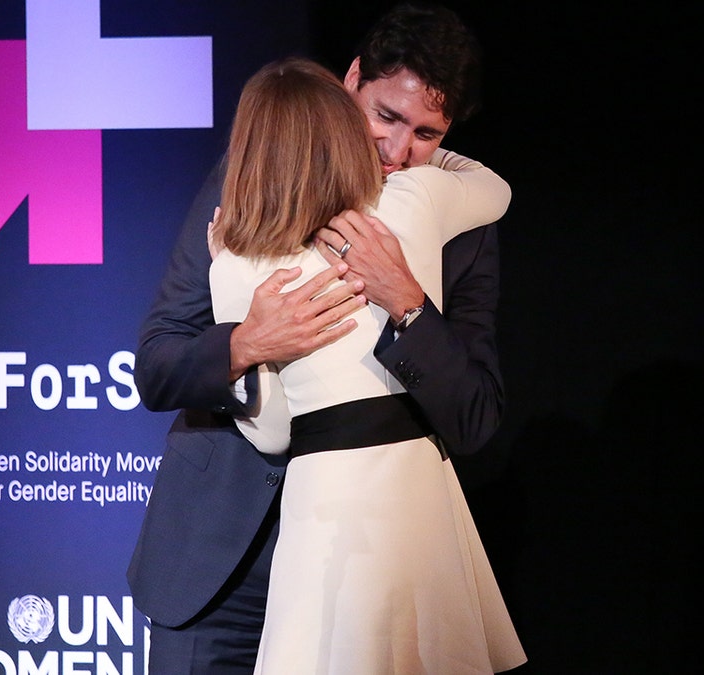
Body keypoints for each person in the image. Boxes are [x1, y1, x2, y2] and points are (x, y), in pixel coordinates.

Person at [128, 3, 515, 672]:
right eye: (386, 117)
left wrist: (409, 304)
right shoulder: (251, 176)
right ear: (351, 80)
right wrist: (246, 344)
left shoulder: (452, 223)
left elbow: (475, 415)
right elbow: (158, 363)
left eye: (427, 133)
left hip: (369, 565)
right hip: (222, 561)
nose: (397, 152)